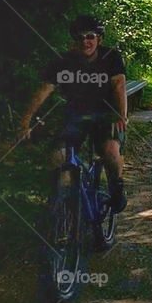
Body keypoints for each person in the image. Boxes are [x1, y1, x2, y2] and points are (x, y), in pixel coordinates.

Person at [18, 15, 129, 213]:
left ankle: (116, 186)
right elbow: (44, 90)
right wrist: (26, 120)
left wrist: (121, 116)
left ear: (99, 39)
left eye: (90, 37)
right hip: (75, 115)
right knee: (57, 157)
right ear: (73, 41)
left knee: (110, 151)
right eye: (79, 38)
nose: (85, 42)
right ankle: (59, 207)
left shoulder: (111, 56)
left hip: (106, 114)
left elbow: (119, 85)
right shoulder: (63, 62)